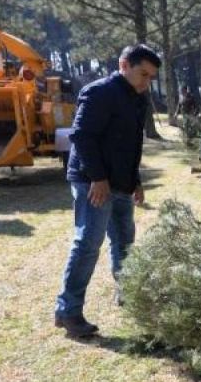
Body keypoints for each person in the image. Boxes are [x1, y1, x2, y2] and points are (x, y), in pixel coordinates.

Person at [54, 44, 161, 337]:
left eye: (151, 77)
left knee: (125, 239)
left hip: (122, 181)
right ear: (124, 64)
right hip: (93, 181)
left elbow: (131, 144)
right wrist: (98, 178)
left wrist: (135, 178)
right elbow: (82, 137)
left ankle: (129, 293)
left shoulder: (138, 99)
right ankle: (68, 311)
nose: (146, 82)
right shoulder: (98, 92)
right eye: (143, 74)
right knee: (88, 243)